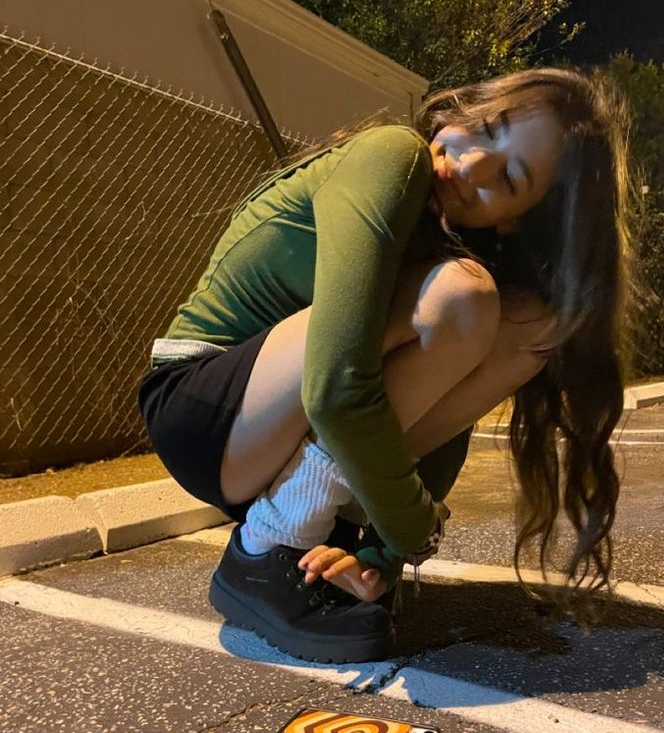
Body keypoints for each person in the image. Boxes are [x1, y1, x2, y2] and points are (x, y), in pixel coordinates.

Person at [138, 66, 633, 664]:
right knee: (463, 296)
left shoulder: (455, 249)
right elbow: (335, 387)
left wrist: (378, 555)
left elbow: (440, 431)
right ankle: (265, 552)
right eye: (488, 126)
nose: (472, 162)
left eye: (508, 178)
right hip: (202, 408)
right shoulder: (391, 154)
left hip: (275, 440)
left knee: (533, 319)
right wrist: (412, 528)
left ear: (515, 219)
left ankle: (313, 529)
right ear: (463, 110)